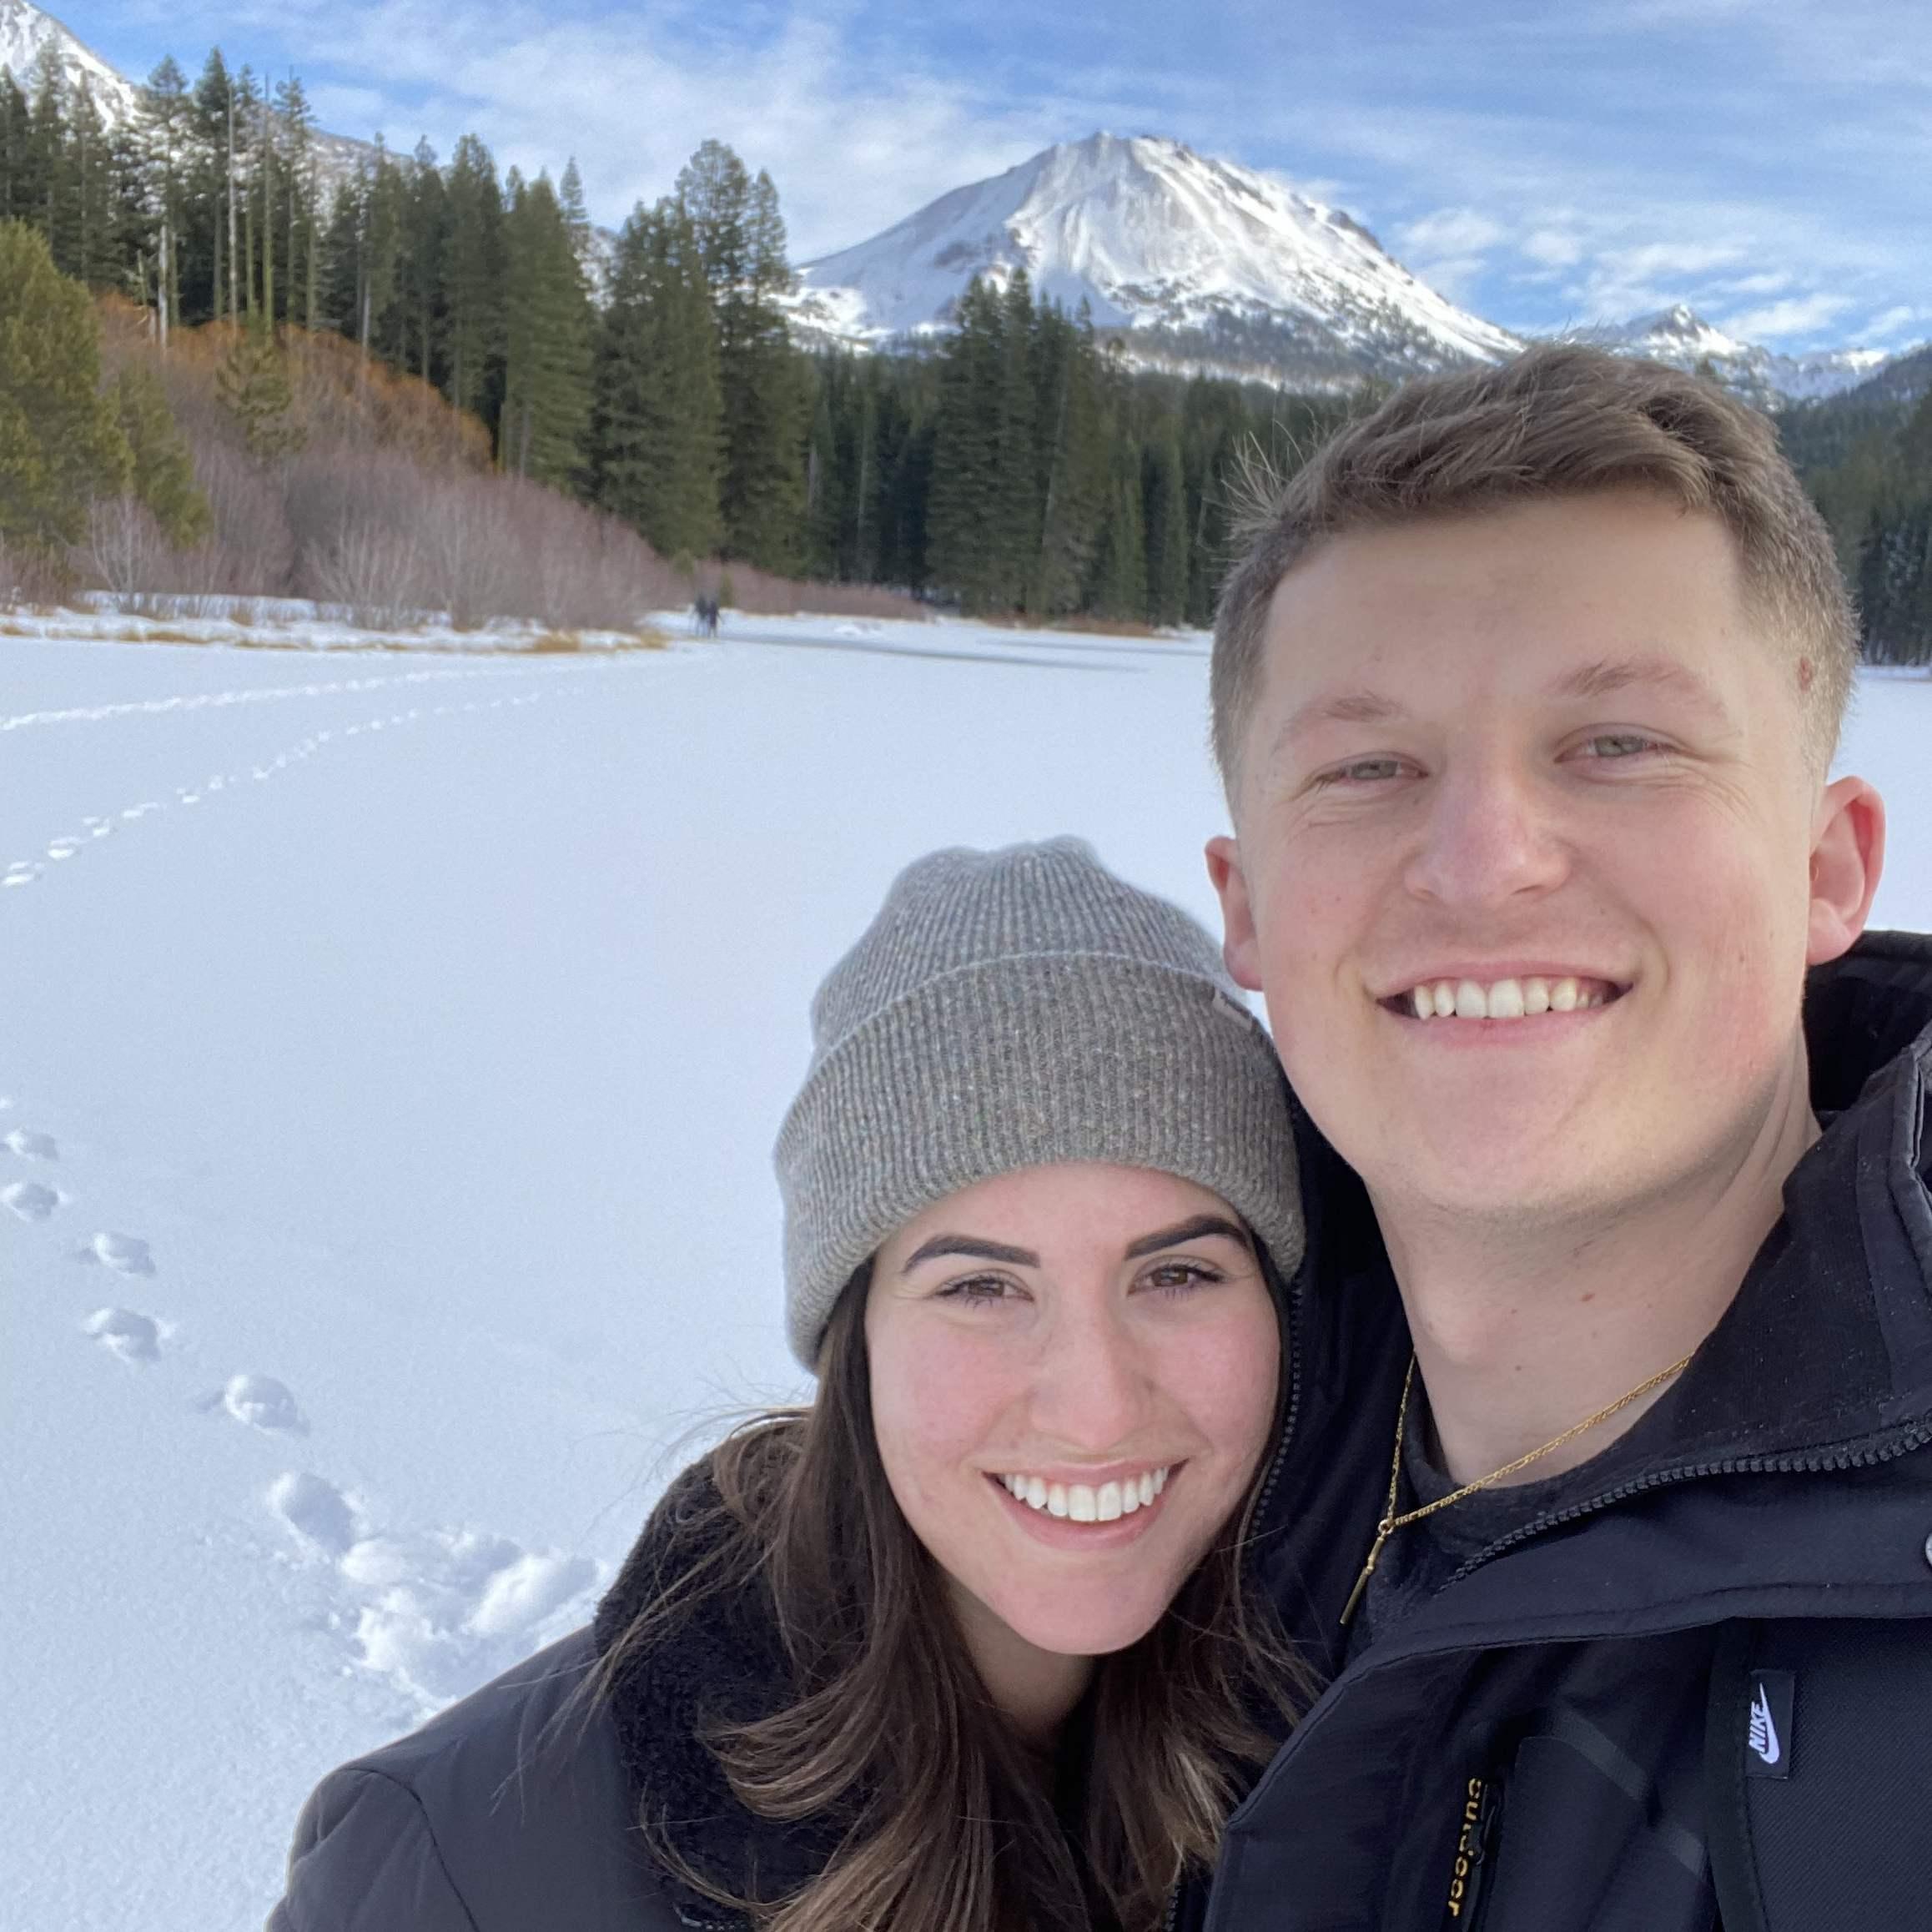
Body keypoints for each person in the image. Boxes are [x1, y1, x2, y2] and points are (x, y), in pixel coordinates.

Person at [1193, 344, 1932, 1930]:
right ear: (1247, 908)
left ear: (1828, 871)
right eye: (1367, 766)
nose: (1483, 861)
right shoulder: (1164, 1412)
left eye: (1619, 744)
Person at [269, 838, 1311, 1932]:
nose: (1097, 1404)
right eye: (982, 1288)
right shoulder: (454, 1868)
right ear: (854, 1339)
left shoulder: (1373, 1749)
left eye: (1180, 1273)